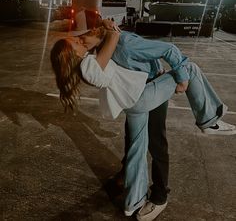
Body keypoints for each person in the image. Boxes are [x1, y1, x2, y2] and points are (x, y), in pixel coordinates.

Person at [50, 24, 236, 220]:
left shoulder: (93, 58)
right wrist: (181, 79)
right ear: (75, 56)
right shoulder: (93, 62)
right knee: (190, 68)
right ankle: (208, 120)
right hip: (144, 96)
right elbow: (162, 48)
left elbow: (106, 43)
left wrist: (101, 28)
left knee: (136, 150)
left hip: (133, 102)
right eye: (77, 42)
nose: (82, 37)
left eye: (77, 37)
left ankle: (134, 201)